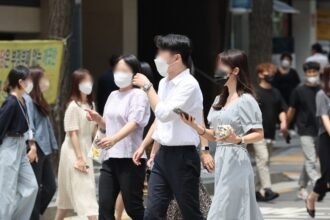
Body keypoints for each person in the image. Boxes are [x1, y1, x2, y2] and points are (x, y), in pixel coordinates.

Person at [180, 49, 264, 220]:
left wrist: (239, 139)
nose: (217, 68)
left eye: (222, 65)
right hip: (222, 158)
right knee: (232, 207)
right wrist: (195, 126)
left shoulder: (246, 100)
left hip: (237, 159)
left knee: (223, 207)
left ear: (235, 70)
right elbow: (214, 135)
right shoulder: (219, 100)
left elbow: (259, 133)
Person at [132, 34, 204, 220]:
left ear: (177, 57)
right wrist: (152, 150)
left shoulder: (189, 85)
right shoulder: (164, 83)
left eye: (162, 52)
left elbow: (164, 113)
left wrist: (148, 87)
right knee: (152, 213)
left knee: (190, 213)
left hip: (184, 156)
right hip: (163, 156)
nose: (157, 57)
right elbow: (161, 121)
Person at [86, 54, 150, 220]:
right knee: (105, 208)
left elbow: (134, 122)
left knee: (133, 207)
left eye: (124, 70)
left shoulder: (139, 95)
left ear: (135, 73)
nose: (119, 74)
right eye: (117, 70)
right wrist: (98, 119)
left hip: (130, 158)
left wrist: (114, 139)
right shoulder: (113, 95)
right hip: (110, 157)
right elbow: (109, 124)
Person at [55, 69, 98, 220]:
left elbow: (94, 132)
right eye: (84, 81)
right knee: (86, 193)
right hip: (74, 151)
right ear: (77, 84)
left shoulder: (91, 105)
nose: (88, 84)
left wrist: (98, 150)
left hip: (85, 149)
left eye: (89, 80)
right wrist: (79, 158)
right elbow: (73, 133)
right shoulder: (73, 106)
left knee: (66, 199)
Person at [0, 65, 38, 219]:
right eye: (29, 80)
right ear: (21, 82)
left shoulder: (23, 100)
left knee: (31, 186)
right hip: (9, 146)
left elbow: (27, 127)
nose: (31, 83)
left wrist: (31, 145)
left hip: (21, 145)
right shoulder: (11, 102)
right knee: (6, 192)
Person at [24, 66, 58, 220]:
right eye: (43, 78)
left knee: (50, 187)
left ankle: (33, 214)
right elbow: (29, 125)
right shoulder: (28, 100)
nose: (46, 81)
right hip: (36, 149)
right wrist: (32, 146)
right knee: (35, 188)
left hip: (44, 149)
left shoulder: (39, 99)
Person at [287, 61, 321, 200]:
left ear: (318, 72)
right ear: (305, 73)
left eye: (314, 72)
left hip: (320, 129)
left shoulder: (323, 89)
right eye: (309, 72)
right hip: (304, 129)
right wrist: (286, 126)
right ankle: (317, 181)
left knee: (310, 159)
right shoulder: (299, 90)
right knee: (311, 159)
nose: (312, 75)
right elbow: (291, 110)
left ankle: (301, 187)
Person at [254, 63, 287, 202]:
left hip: (271, 133)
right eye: (267, 72)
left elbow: (281, 109)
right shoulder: (254, 92)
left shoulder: (276, 92)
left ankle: (257, 191)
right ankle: (267, 189)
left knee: (264, 163)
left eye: (272, 73)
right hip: (256, 132)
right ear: (260, 74)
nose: (270, 75)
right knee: (263, 158)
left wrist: (284, 123)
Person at [306, 65, 330, 218]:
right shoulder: (321, 95)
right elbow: (324, 118)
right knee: (327, 175)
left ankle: (312, 197)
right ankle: (312, 197)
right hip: (326, 138)